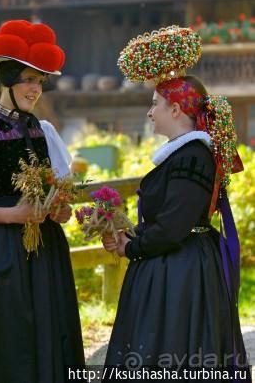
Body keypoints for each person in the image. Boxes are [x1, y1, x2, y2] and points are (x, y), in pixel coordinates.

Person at [103, 26, 250, 378]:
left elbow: (173, 226)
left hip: (182, 272)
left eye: (155, 104)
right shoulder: (184, 156)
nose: (150, 113)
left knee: (175, 351)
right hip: (175, 265)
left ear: (175, 108)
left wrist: (132, 248)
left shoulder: (191, 157)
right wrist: (128, 235)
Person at [0, 20, 85, 383]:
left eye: (40, 81)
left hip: (44, 254)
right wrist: (13, 215)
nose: (35, 88)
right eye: (28, 79)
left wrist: (60, 209)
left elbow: (63, 202)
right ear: (5, 80)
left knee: (46, 328)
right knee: (5, 337)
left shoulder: (44, 131)